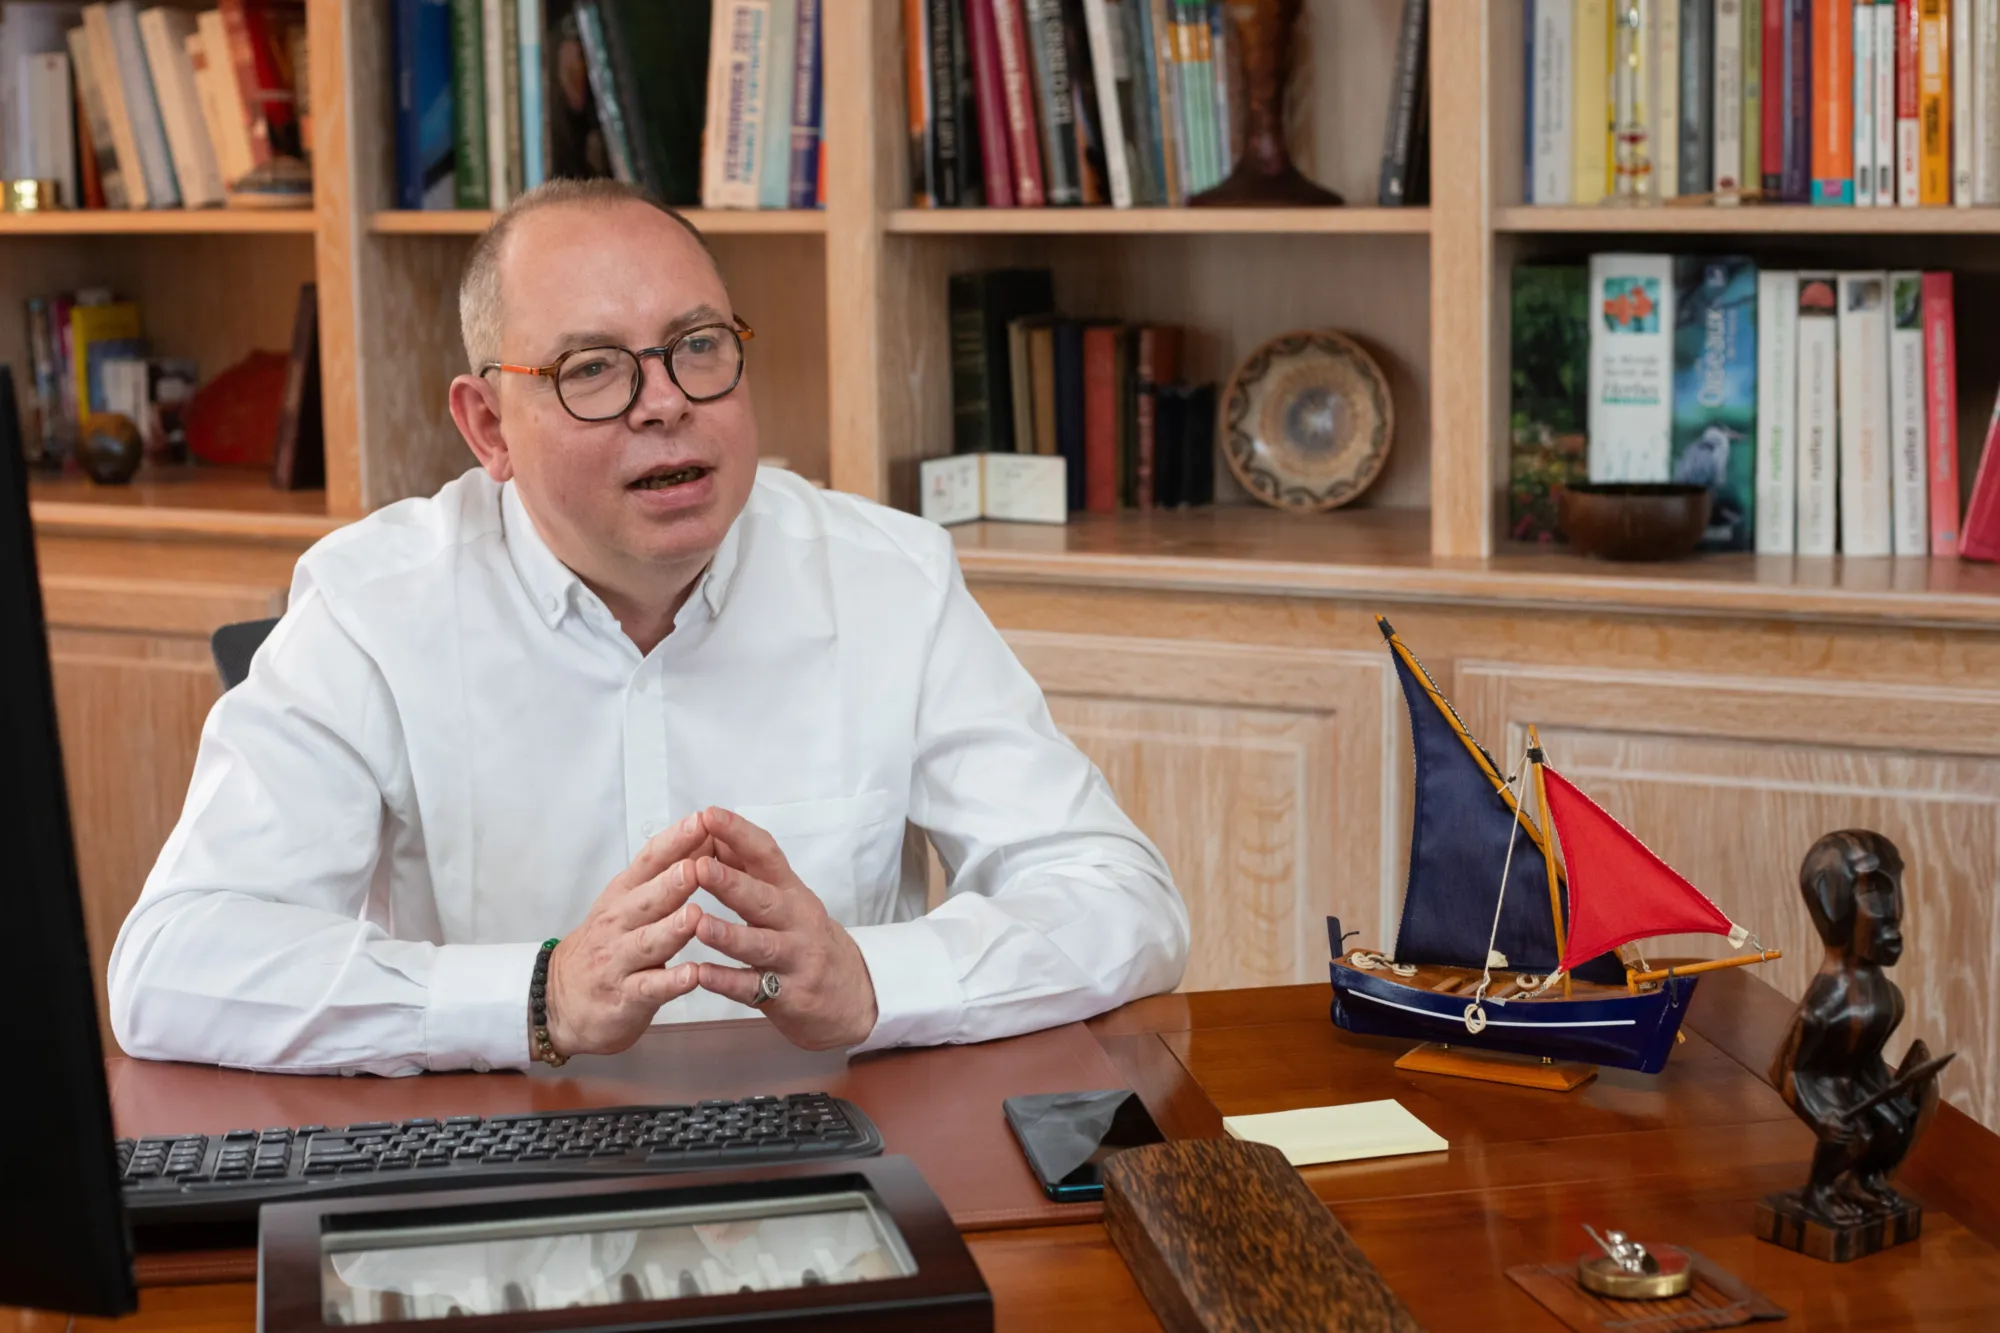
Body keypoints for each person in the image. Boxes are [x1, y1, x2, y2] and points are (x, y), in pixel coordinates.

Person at [107, 181, 1187, 1076]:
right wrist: (536, 995)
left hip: (827, 1179)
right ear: (487, 426)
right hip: (505, 1187)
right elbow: (175, 965)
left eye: (697, 346)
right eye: (591, 370)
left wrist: (872, 981)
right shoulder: (371, 606)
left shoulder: (885, 580)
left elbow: (1119, 900)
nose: (664, 402)